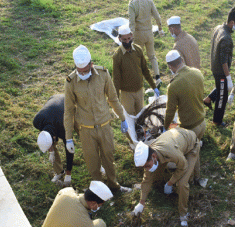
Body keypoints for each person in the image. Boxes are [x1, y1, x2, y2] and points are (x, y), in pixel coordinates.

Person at [64, 45, 130, 193]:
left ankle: (114, 185)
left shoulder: (103, 74)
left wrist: (123, 117)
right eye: (79, 71)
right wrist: (68, 137)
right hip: (86, 130)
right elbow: (68, 111)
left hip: (105, 125)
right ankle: (99, 191)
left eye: (86, 70)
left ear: (91, 64)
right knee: (92, 163)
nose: (82, 73)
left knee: (109, 157)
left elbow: (113, 98)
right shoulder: (71, 82)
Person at [132, 128, 200, 226]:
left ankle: (183, 214)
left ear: (154, 157)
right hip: (178, 141)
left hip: (191, 145)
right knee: (153, 174)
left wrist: (170, 182)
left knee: (182, 184)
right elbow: (146, 180)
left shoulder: (171, 153)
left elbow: (183, 167)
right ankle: (162, 181)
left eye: (147, 166)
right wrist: (141, 202)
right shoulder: (149, 154)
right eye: (144, 167)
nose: (146, 169)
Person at [164, 50, 206, 183]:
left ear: (170, 66)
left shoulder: (174, 85)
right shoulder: (197, 73)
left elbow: (170, 111)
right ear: (181, 59)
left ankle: (190, 180)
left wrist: (165, 128)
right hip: (202, 122)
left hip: (189, 128)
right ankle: (197, 176)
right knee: (195, 151)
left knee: (189, 156)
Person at [203, 7, 235, 127]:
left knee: (221, 87)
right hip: (220, 71)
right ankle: (217, 120)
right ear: (232, 22)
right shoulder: (226, 38)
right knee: (223, 96)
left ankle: (208, 99)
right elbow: (223, 61)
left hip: (214, 66)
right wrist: (228, 77)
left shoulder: (218, 28)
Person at [112, 25, 159, 116]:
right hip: (126, 94)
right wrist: (116, 99)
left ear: (132, 36)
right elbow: (116, 79)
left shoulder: (138, 50)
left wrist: (154, 86)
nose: (127, 41)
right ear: (119, 39)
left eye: (129, 38)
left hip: (139, 91)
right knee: (129, 117)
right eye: (124, 39)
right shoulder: (117, 56)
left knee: (141, 117)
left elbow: (145, 70)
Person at [34, 94, 77, 186]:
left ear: (54, 138)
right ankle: (59, 171)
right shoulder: (37, 121)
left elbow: (70, 150)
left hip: (68, 103)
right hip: (53, 100)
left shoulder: (63, 129)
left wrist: (68, 173)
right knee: (51, 146)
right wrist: (51, 151)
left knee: (82, 134)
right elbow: (47, 134)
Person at [128, 0, 164, 85]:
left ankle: (139, 78)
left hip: (138, 33)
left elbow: (132, 22)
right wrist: (160, 28)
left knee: (137, 56)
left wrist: (130, 36)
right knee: (152, 56)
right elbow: (157, 17)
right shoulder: (149, 1)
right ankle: (157, 77)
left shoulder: (132, 4)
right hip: (149, 33)